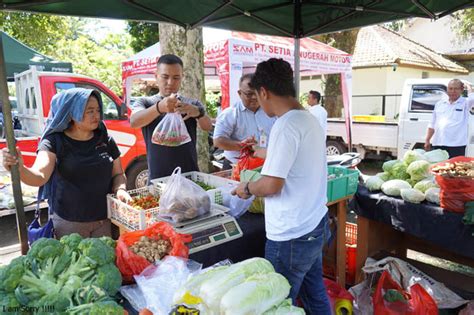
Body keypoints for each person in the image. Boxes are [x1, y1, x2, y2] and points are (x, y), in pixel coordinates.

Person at [232, 58, 331, 314]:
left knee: (277, 305)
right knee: (314, 295)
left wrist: (247, 187)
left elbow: (272, 185)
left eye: (257, 95)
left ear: (263, 92)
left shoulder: (285, 125)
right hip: (314, 224)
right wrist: (260, 150)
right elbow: (294, 159)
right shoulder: (307, 119)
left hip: (291, 236)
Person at [1, 88, 130, 238]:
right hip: (70, 224)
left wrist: (120, 189)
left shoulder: (106, 139)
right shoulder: (55, 141)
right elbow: (40, 175)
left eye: (97, 110)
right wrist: (19, 168)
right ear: (72, 113)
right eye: (89, 111)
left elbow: (118, 174)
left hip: (105, 220)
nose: (96, 115)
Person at [130, 54, 212, 180]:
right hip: (158, 179)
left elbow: (207, 127)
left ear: (182, 78)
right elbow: (134, 121)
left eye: (176, 78)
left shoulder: (191, 104)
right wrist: (159, 108)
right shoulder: (145, 102)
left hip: (189, 177)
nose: (170, 82)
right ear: (156, 76)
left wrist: (198, 113)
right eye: (165, 77)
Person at [213, 73, 276, 170]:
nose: (254, 97)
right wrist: (242, 145)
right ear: (239, 93)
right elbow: (218, 141)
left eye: (258, 93)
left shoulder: (272, 112)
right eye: (249, 94)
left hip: (265, 166)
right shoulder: (230, 114)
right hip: (236, 167)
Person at [424, 79, 474, 157]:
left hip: (456, 145)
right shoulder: (439, 104)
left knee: (455, 168)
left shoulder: (465, 103)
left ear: (461, 90)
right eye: (450, 88)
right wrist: (427, 140)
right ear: (447, 89)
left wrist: (469, 87)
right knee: (438, 167)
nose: (453, 91)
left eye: (456, 88)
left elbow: (472, 99)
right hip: (439, 144)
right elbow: (432, 124)